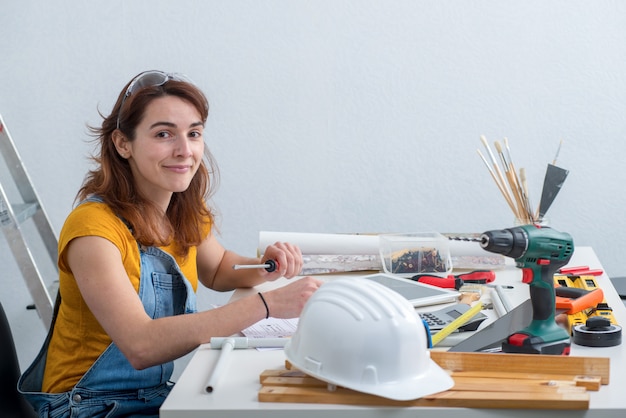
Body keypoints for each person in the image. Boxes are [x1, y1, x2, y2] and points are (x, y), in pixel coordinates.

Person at [18, 70, 322, 417]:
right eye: (164, 134)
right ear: (122, 144)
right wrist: (266, 305)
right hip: (85, 407)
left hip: (150, 396)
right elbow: (140, 344)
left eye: (194, 133)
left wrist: (266, 266)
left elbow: (219, 268)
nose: (185, 150)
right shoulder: (93, 229)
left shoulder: (180, 208)